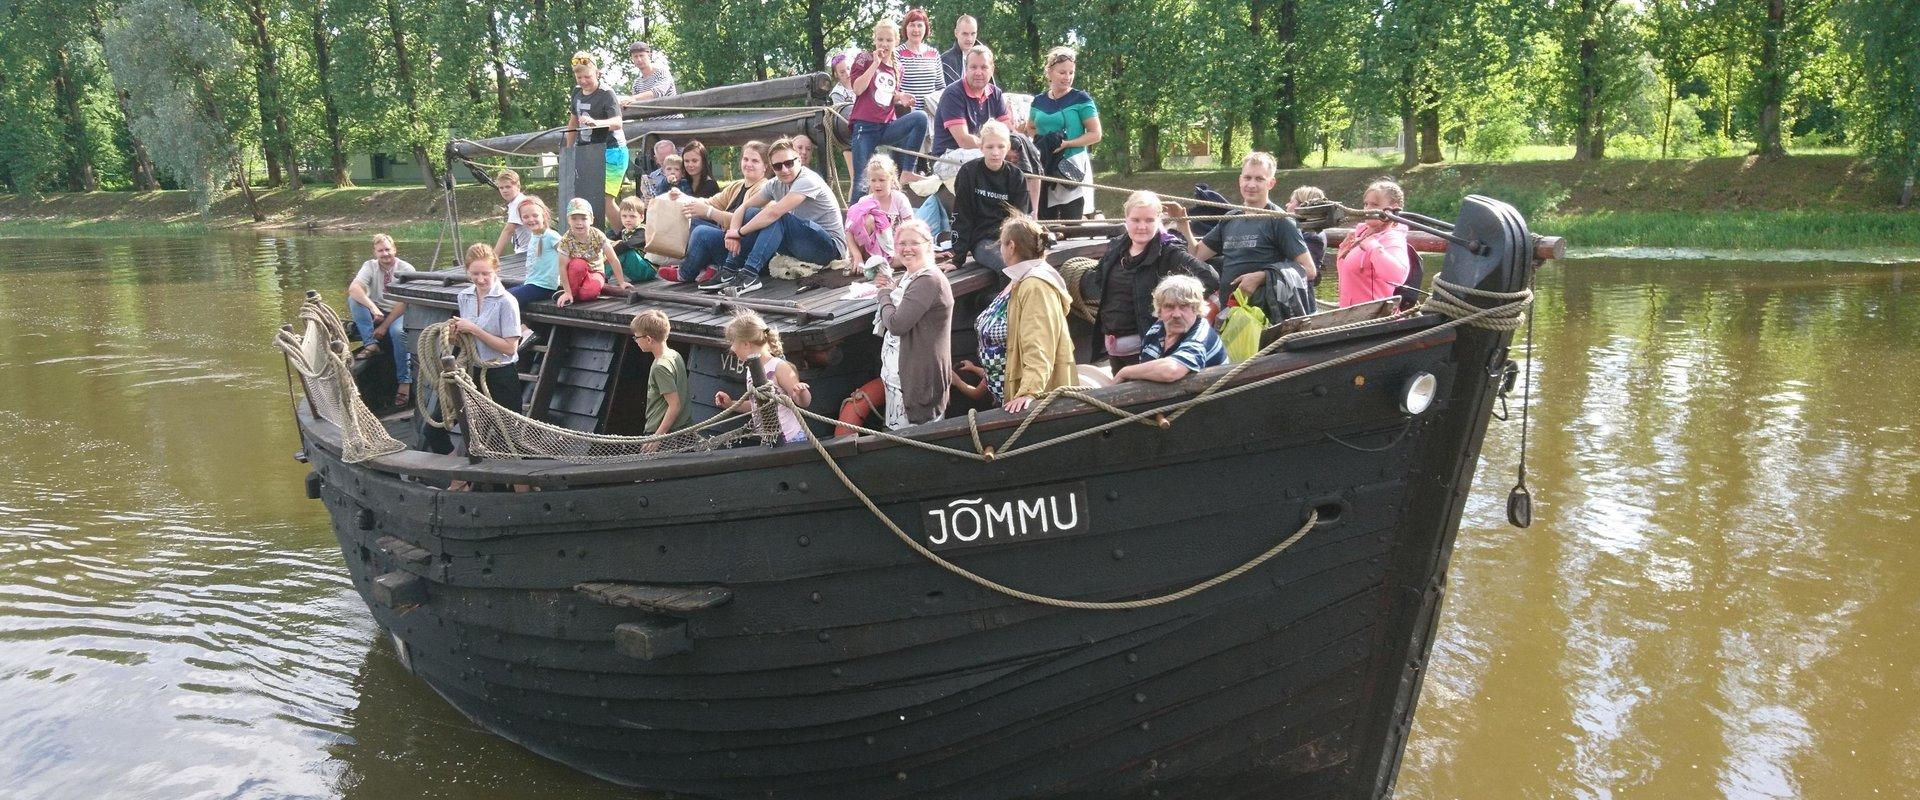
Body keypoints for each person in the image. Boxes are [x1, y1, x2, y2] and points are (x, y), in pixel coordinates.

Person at [701, 138, 848, 295]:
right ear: (772, 167)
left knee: (778, 217)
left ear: (798, 160)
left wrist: (740, 233)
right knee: (751, 213)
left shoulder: (808, 180)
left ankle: (750, 273)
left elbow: (774, 213)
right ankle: (729, 270)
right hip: (801, 245)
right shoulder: (775, 184)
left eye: (789, 163)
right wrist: (733, 235)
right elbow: (743, 208)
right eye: (778, 166)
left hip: (829, 249)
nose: (784, 169)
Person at [1170, 151, 1316, 308]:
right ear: (1240, 180)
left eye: (1259, 179)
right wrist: (1182, 222)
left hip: (1265, 315)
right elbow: (1197, 255)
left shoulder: (1280, 220)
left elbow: (1309, 270)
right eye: (1247, 177)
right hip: (1231, 311)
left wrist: (1262, 276)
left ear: (1271, 183)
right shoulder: (1230, 218)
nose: (1251, 184)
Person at [1092, 191, 1219, 368]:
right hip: (1113, 349)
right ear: (1126, 219)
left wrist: (1174, 302)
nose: (1142, 226)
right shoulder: (1116, 248)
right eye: (1136, 220)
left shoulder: (1169, 252)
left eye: (1149, 220)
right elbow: (1100, 279)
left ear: (1159, 220)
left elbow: (1210, 278)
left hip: (1148, 349)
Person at [978, 215, 1073, 413]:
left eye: (1001, 244)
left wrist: (1030, 391)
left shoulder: (1034, 285)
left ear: (1011, 246)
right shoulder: (1019, 279)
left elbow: (1038, 341)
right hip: (1006, 391)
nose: (1000, 249)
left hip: (1025, 397)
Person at [872, 219, 953, 428]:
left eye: (914, 243)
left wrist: (883, 296)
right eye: (901, 244)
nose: (907, 249)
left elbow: (897, 324)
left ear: (928, 245)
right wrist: (890, 287)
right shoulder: (911, 276)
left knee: (914, 439)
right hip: (899, 379)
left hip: (916, 380)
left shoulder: (928, 280)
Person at [848, 20, 932, 197]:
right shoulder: (864, 58)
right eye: (880, 40)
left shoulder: (898, 67)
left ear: (895, 42)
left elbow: (886, 96)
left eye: (888, 40)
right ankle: (852, 223)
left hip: (886, 126)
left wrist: (900, 97)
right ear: (875, 40)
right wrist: (875, 64)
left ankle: (908, 171)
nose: (884, 44)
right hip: (865, 128)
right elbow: (857, 88)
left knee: (920, 118)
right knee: (862, 183)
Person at [675, 140, 770, 283]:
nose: (748, 164)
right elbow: (710, 202)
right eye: (745, 159)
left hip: (743, 248)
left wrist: (709, 212)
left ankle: (684, 273)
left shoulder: (765, 189)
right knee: (692, 221)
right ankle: (709, 266)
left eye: (755, 161)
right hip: (727, 241)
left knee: (702, 232)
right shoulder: (737, 185)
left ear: (765, 166)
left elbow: (750, 221)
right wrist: (680, 196)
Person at [1025, 46, 1102, 221]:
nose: (1067, 77)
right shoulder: (1039, 101)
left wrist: (1068, 143)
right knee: (1046, 220)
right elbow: (1030, 127)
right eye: (1062, 72)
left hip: (1071, 164)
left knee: (1071, 220)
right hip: (1045, 164)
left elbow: (1095, 134)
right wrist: (1040, 144)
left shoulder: (1081, 99)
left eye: (1071, 72)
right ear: (1050, 72)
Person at [713, 310, 812, 444]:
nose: (732, 347)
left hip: (791, 439)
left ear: (746, 344)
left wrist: (801, 392)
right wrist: (732, 404)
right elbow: (758, 405)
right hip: (770, 439)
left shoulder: (779, 367)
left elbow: (803, 403)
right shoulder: (752, 368)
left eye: (733, 341)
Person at [450, 243, 524, 413]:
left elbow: (510, 348)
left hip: (501, 374)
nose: (481, 279)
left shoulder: (507, 301)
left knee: (506, 432)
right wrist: (454, 336)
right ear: (467, 271)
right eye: (475, 274)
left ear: (496, 270)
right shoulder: (464, 296)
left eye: (486, 273)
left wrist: (475, 329)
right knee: (436, 427)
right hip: (471, 371)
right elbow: (467, 342)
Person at [1113, 274, 1227, 383]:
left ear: (1196, 309)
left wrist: (1124, 372)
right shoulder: (1156, 330)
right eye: (1169, 307)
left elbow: (1172, 371)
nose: (1176, 314)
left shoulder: (1201, 335)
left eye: (1184, 306)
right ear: (1160, 311)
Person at [951, 120, 1030, 272]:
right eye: (990, 147)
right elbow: (961, 215)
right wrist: (957, 259)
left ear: (1007, 147)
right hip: (982, 240)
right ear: (981, 147)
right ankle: (1002, 296)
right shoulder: (968, 172)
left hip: (1010, 238)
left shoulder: (1016, 176)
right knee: (1007, 267)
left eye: (1001, 147)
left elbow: (1020, 217)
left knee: (1031, 266)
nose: (995, 152)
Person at [346, 234, 415, 406]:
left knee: (398, 333)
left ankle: (404, 382)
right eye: (380, 250)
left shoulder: (406, 269)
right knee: (354, 299)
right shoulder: (369, 266)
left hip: (399, 312)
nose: (385, 254)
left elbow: (404, 303)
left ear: (394, 249)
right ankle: (371, 344)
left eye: (387, 249)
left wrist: (384, 325)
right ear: (375, 252)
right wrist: (372, 307)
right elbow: (354, 288)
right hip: (378, 310)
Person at [565, 52, 628, 222]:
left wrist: (596, 123)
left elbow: (617, 122)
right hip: (588, 151)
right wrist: (569, 150)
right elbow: (573, 121)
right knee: (588, 198)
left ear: (597, 73)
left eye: (587, 76)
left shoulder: (606, 93)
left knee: (606, 200)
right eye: (579, 77)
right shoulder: (576, 92)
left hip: (613, 151)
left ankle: (627, 237)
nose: (583, 81)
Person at [1335, 179, 1413, 308]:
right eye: (1366, 204)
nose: (1367, 209)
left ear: (1393, 207)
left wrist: (1373, 247)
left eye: (1374, 204)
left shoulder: (1392, 238)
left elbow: (1398, 277)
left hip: (1373, 320)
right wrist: (1344, 248)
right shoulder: (1360, 234)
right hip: (1351, 316)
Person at [932, 45, 1012, 157]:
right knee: (988, 159)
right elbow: (963, 140)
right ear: (966, 69)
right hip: (949, 156)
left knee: (1022, 149)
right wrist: (993, 147)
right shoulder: (953, 94)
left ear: (992, 70)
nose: (978, 72)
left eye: (984, 67)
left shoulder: (996, 94)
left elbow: (1007, 131)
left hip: (986, 150)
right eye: (973, 67)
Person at [629, 309, 691, 447]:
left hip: (665, 437)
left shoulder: (660, 367)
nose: (636, 341)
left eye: (636, 337)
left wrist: (657, 437)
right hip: (681, 433)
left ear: (649, 339)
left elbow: (674, 405)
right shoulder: (675, 355)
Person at [846, 156, 916, 270]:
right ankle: (865, 262)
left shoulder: (899, 198)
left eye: (882, 180)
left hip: (893, 251)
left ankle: (880, 264)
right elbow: (848, 231)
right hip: (868, 253)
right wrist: (857, 256)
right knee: (867, 219)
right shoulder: (864, 201)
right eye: (873, 180)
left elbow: (912, 228)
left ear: (891, 179)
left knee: (912, 258)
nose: (877, 185)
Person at [508, 196, 566, 306]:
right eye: (525, 217)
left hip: (544, 287)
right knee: (501, 295)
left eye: (535, 215)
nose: (531, 219)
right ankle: (523, 323)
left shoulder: (551, 236)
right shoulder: (534, 236)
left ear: (544, 215)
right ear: (521, 219)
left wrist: (568, 286)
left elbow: (568, 254)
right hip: (531, 283)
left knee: (507, 298)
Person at [558, 196, 618, 300]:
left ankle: (575, 295)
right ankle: (569, 294)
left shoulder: (598, 235)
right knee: (578, 264)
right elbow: (562, 267)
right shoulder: (566, 239)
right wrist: (567, 290)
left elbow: (613, 259)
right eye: (574, 218)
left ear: (591, 219)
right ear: (568, 220)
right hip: (576, 272)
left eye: (583, 218)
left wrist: (621, 282)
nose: (579, 222)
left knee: (588, 294)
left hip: (595, 271)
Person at [897, 8, 945, 111]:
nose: (916, 30)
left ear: (926, 28)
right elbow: (893, 89)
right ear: (906, 28)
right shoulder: (897, 54)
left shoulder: (934, 53)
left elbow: (941, 87)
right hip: (907, 115)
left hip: (931, 116)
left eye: (920, 25)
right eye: (912, 25)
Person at [621, 42, 678, 117]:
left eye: (641, 55)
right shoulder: (637, 83)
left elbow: (657, 93)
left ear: (649, 55)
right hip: (650, 125)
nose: (639, 59)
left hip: (673, 122)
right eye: (635, 56)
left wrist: (632, 98)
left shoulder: (662, 73)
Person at [609, 196, 656, 285]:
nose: (628, 220)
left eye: (632, 216)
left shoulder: (643, 231)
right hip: (634, 270)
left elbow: (628, 245)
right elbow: (612, 239)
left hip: (647, 269)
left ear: (641, 217)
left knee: (625, 251)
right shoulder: (624, 231)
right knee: (609, 246)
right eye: (624, 216)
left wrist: (610, 250)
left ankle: (603, 276)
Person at [1286, 185, 1329, 275]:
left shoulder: (1312, 236)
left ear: (1302, 207)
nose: (1287, 205)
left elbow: (1300, 269)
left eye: (1291, 202)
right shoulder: (1307, 232)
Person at [491, 168, 531, 256]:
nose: (504, 190)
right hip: (524, 250)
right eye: (501, 188)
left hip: (527, 252)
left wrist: (493, 257)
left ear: (518, 187)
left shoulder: (518, 203)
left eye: (508, 187)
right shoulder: (516, 201)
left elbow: (508, 231)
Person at [940, 14, 979, 85]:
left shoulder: (983, 58)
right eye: (965, 34)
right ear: (956, 33)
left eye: (973, 34)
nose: (969, 39)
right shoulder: (945, 61)